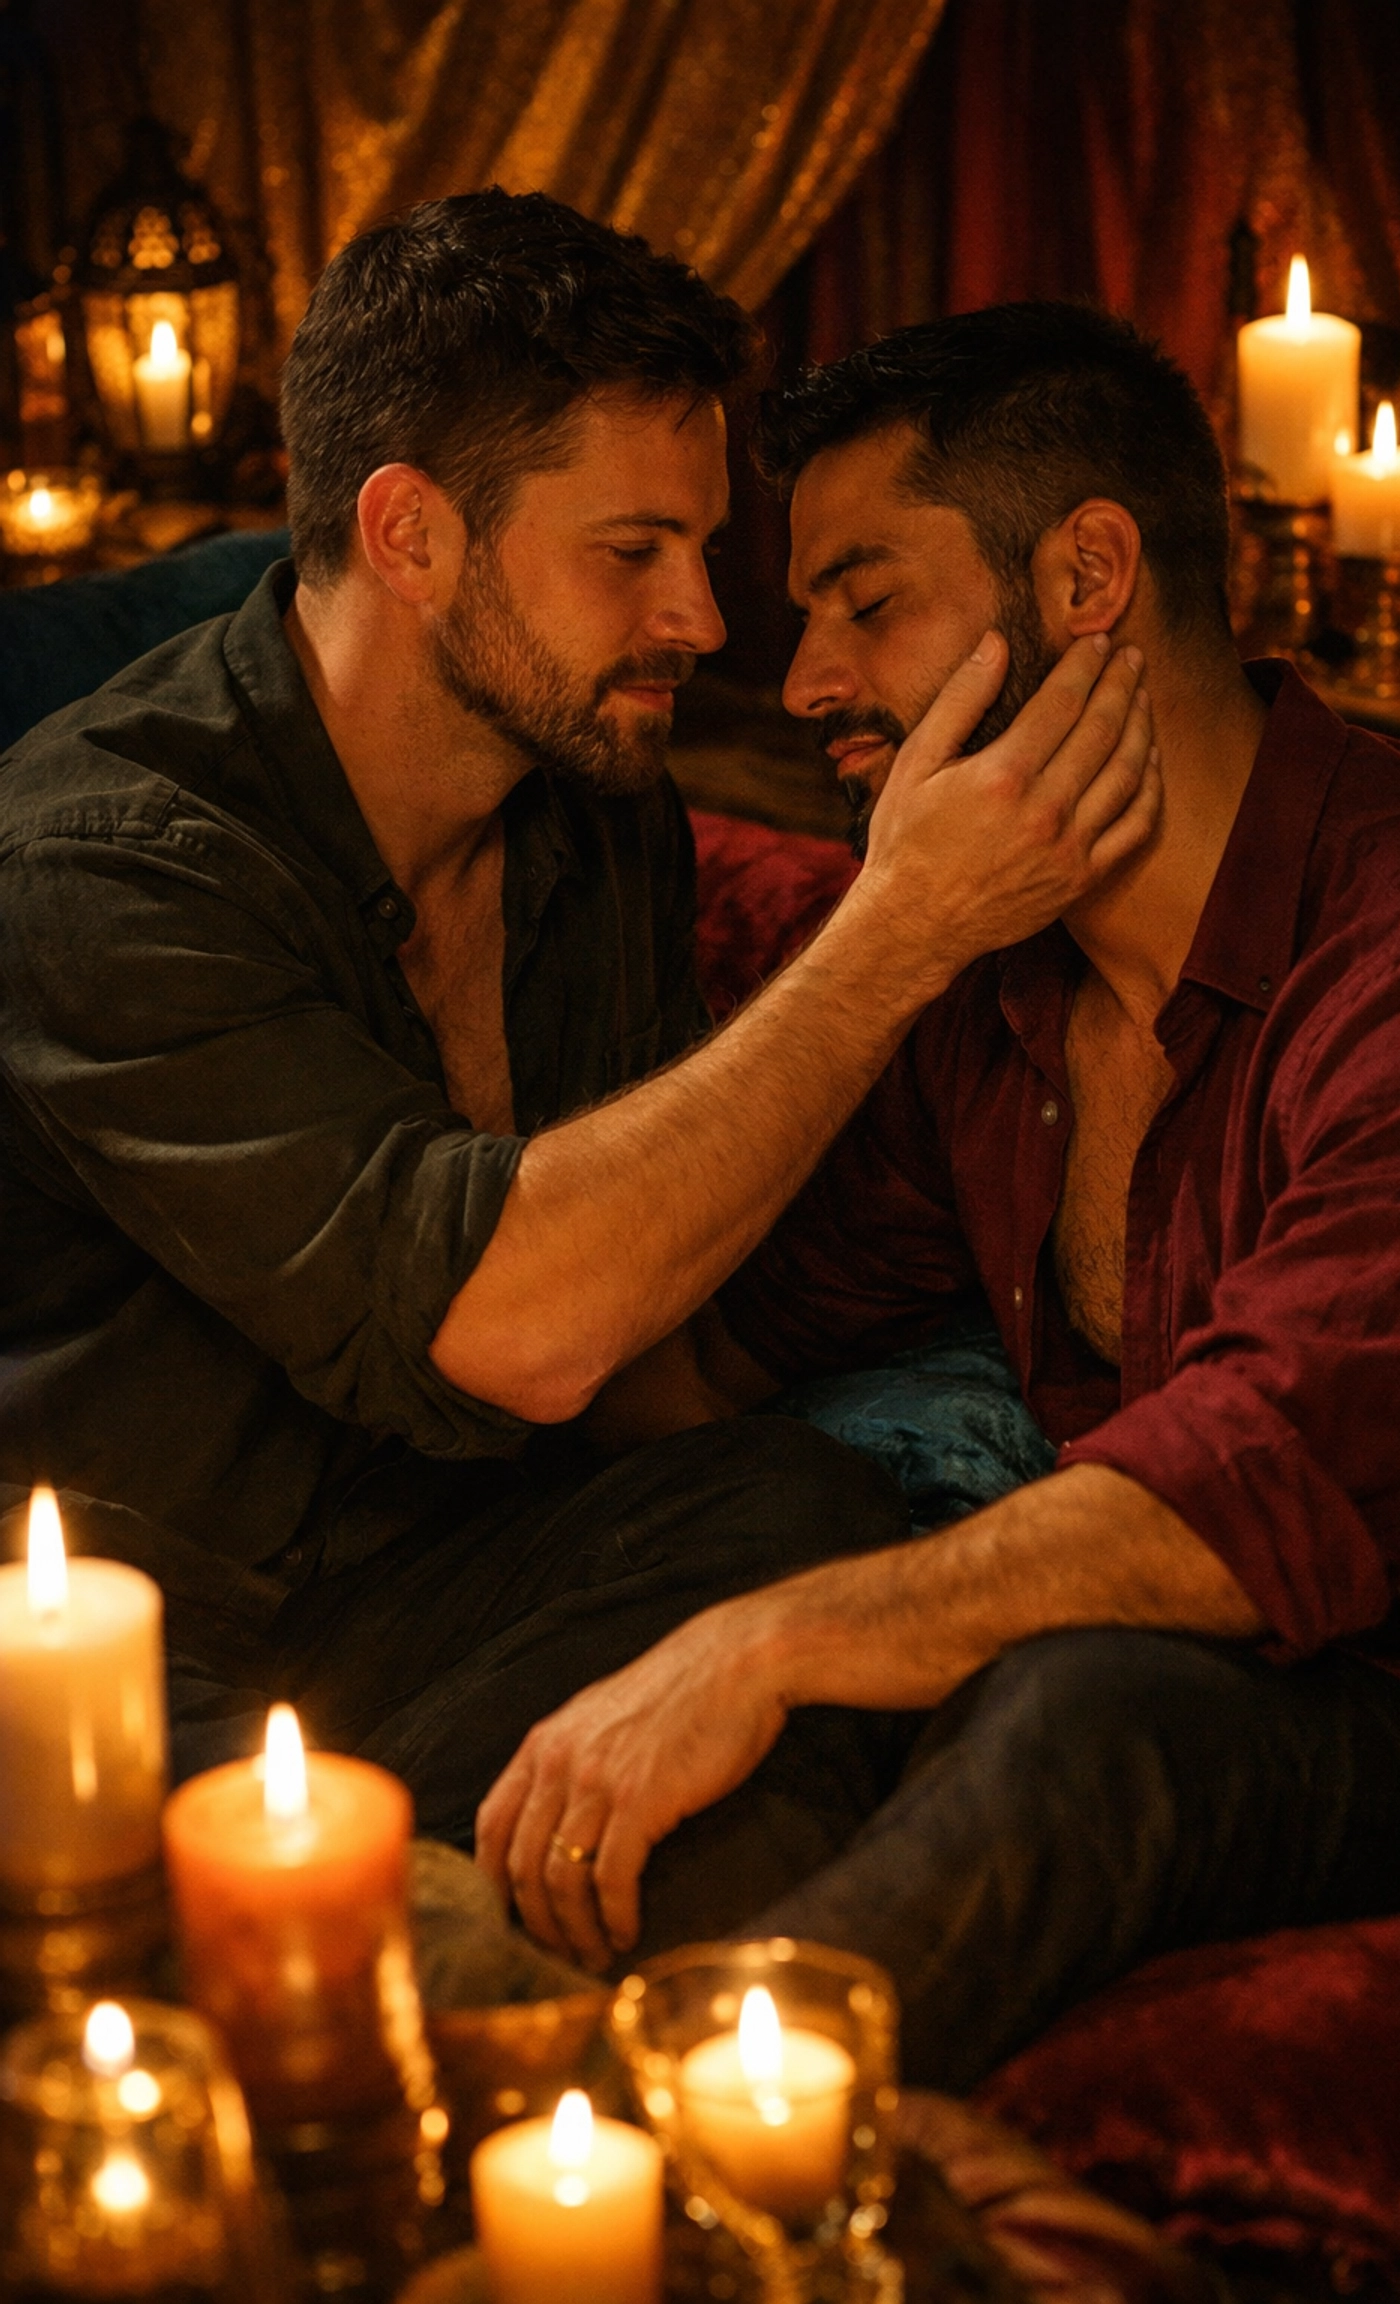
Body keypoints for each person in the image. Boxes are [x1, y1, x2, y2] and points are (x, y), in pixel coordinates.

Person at [0, 201, 1158, 1934]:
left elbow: (642, 1358)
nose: (702, 616)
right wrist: (897, 926)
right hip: (131, 1652)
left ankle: (700, 2011)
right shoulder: (106, 866)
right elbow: (523, 1324)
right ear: (409, 536)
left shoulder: (599, 816)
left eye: (703, 545)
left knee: (808, 1516)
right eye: (634, 552)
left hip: (451, 1574)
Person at [476, 303, 1400, 2088]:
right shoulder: (990, 980)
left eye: (863, 600)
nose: (801, 677)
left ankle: (673, 2167)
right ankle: (553, 2107)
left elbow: (1258, 1489)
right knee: (771, 1550)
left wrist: (766, 1642)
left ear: (1089, 576)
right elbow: (712, 1356)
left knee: (1076, 1704)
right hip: (1101, 1667)